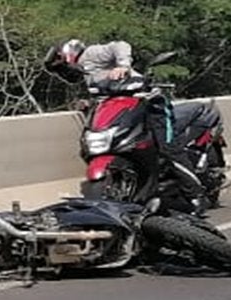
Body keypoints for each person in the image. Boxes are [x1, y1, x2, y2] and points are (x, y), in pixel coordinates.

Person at [44, 38, 207, 212]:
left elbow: (120, 45)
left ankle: (196, 196)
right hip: (126, 108)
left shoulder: (91, 54)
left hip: (152, 104)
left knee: (168, 149)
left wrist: (123, 66)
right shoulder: (87, 73)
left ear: (70, 52)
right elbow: (106, 94)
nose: (64, 71)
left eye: (62, 63)